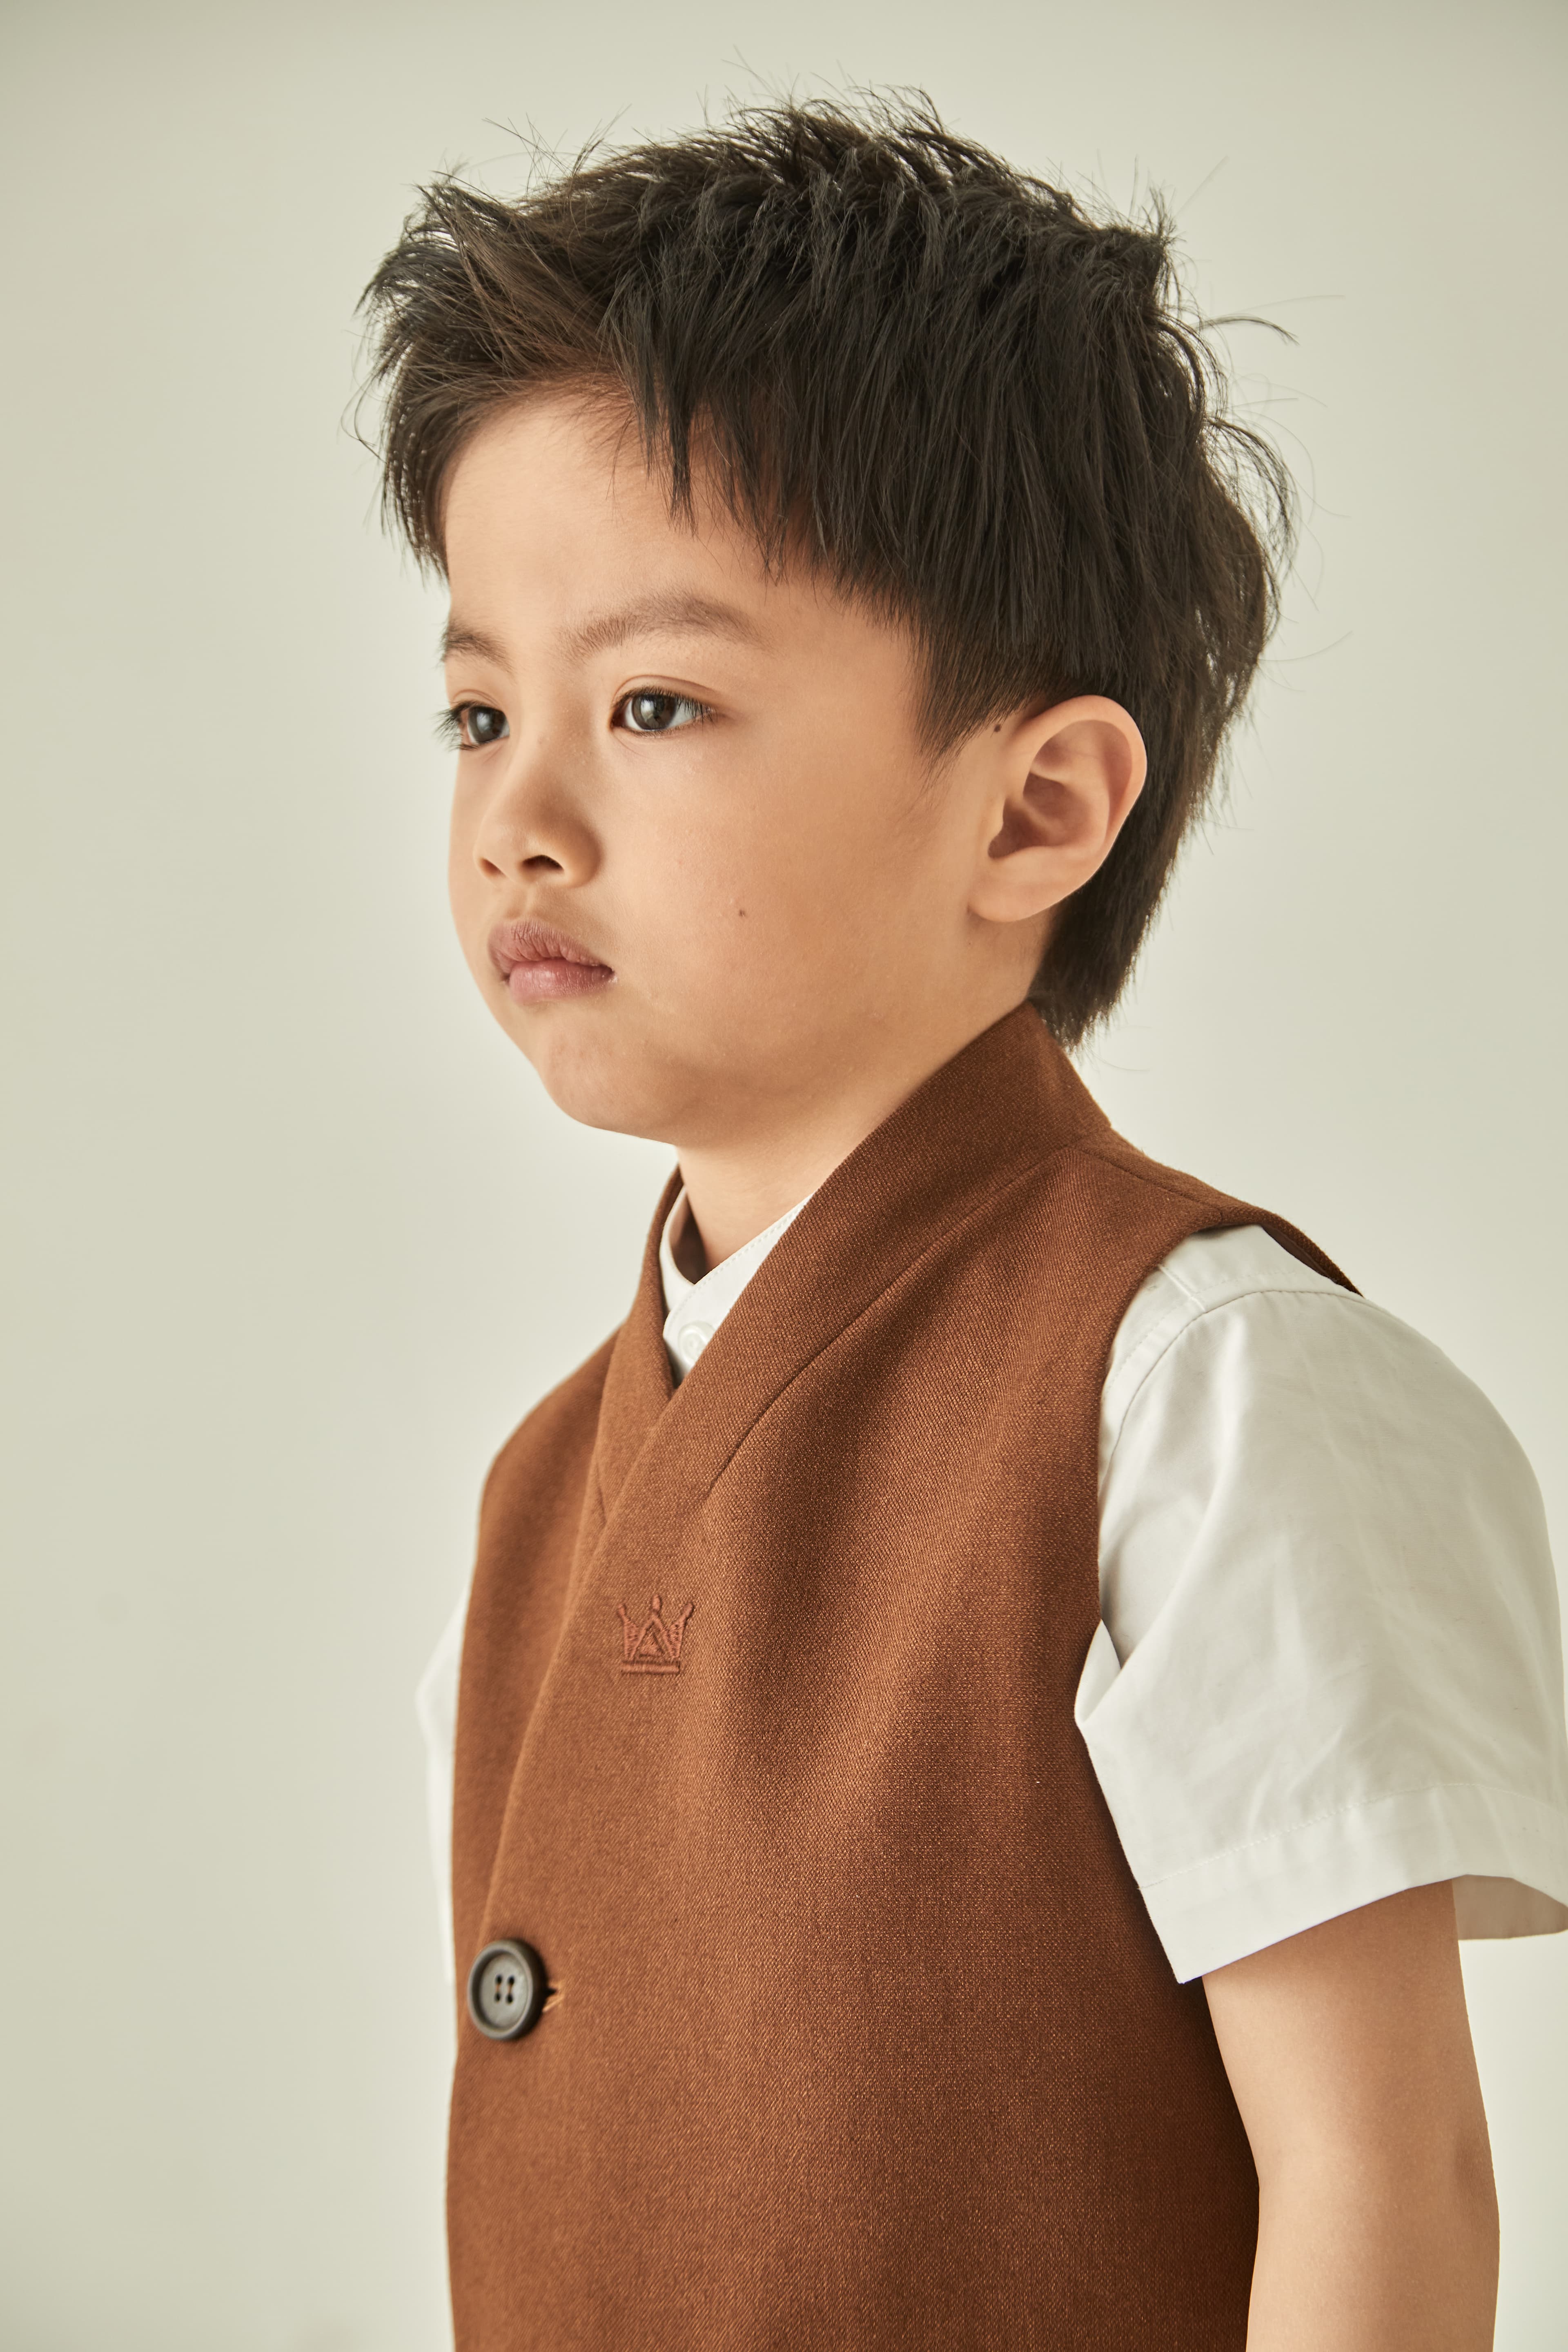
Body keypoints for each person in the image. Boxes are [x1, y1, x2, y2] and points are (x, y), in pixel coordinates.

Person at [360, 96, 1568, 2350]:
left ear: (1035, 808)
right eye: (473, 707)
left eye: (652, 700)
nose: (520, 812)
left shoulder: (1203, 1394)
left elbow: (1380, 2181)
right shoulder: (543, 1492)